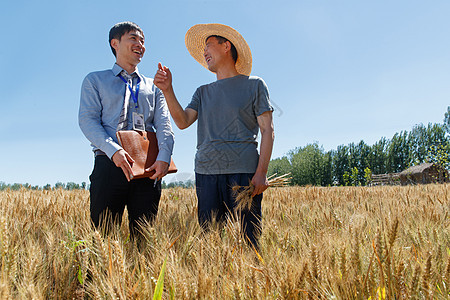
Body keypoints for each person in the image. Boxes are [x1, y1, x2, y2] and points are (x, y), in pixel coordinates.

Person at [154, 23, 274, 247]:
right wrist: (168, 90)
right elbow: (182, 121)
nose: (204, 52)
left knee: (248, 240)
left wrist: (262, 172)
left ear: (226, 46)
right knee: (210, 241)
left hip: (244, 174)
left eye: (208, 46)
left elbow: (268, 130)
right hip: (206, 173)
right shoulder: (202, 92)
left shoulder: (255, 85)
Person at [79, 21, 174, 240]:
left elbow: (164, 125)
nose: (140, 44)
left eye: (143, 41)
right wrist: (114, 150)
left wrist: (164, 158)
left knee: (145, 240)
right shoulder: (95, 80)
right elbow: (87, 120)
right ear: (115, 43)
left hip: (148, 168)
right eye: (133, 38)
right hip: (109, 165)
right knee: (104, 239)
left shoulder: (154, 88)